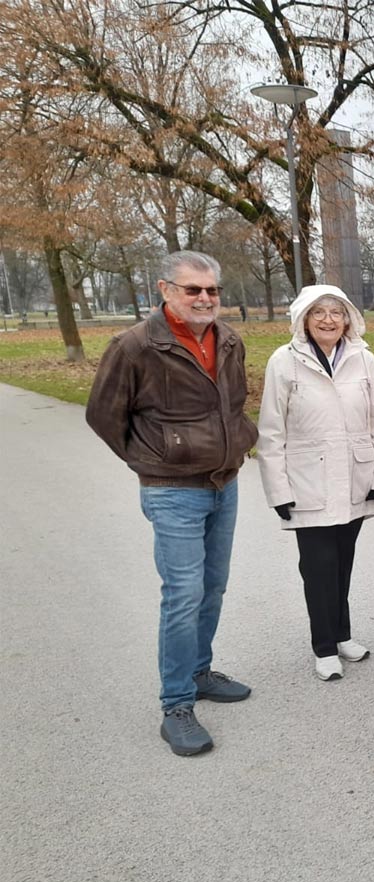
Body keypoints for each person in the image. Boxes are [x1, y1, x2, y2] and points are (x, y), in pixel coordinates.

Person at [85, 250, 258, 757]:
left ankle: (199, 671)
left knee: (213, 587)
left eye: (212, 290)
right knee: (183, 594)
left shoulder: (229, 340)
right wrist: (153, 458)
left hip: (223, 483)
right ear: (165, 290)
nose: (205, 299)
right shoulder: (135, 346)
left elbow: (233, 405)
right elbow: (103, 415)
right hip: (172, 491)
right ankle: (176, 704)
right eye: (193, 289)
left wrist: (238, 441)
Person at [256, 285, 374, 681]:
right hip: (307, 482)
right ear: (303, 319)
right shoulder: (283, 361)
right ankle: (323, 647)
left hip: (355, 478)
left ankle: (342, 634)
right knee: (318, 568)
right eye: (318, 312)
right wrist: (279, 491)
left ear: (348, 319)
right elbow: (271, 431)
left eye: (336, 312)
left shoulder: (362, 358)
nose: (328, 320)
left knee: (342, 563)